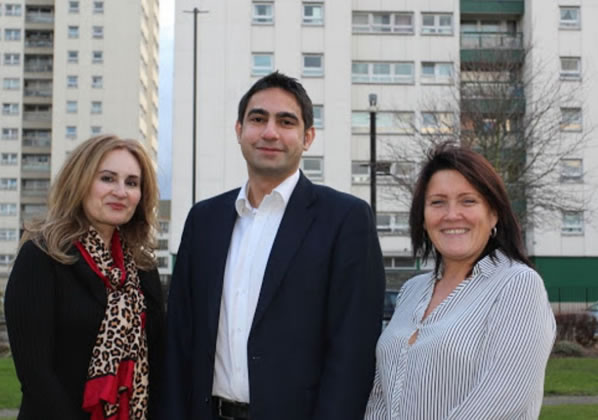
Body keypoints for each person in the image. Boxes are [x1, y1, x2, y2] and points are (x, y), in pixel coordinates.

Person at [162, 71, 385, 420]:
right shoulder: (203, 221)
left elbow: (353, 352)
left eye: (286, 121)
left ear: (307, 137)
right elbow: (178, 337)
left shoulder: (346, 220)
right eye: (258, 119)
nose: (270, 132)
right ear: (239, 131)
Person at [364, 143, 556, 420]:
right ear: (423, 217)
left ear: (494, 213)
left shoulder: (518, 285)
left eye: (468, 201)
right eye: (438, 202)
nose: (452, 215)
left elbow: (501, 399)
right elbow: (381, 395)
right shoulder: (411, 291)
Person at [5, 135, 165, 420]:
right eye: (107, 178)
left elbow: (159, 362)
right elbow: (35, 374)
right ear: (79, 182)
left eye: (131, 183)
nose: (120, 191)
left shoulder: (143, 268)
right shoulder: (42, 256)